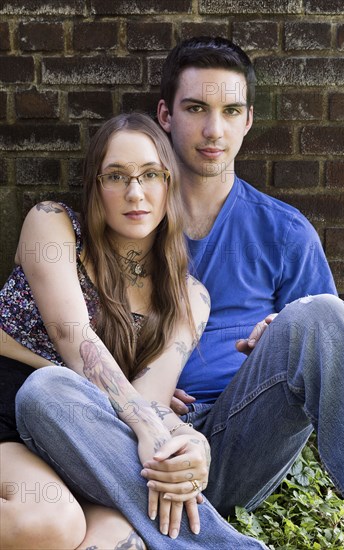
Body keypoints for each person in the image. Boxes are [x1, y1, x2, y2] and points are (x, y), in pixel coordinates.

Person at [15, 36, 344, 545]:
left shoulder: (286, 233)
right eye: (196, 108)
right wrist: (161, 427)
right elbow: (77, 344)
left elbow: (324, 357)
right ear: (166, 115)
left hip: (235, 438)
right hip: (128, 442)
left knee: (323, 317)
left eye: (231, 110)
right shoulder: (123, 222)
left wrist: (281, 333)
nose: (213, 129)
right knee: (47, 394)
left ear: (248, 120)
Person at [1, 112, 265, 549]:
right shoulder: (52, 224)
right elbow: (74, 339)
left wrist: (188, 440)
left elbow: (149, 400)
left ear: (169, 183)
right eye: (116, 176)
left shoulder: (189, 298)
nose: (135, 193)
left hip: (85, 438)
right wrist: (145, 423)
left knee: (124, 539)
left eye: (150, 175)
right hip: (13, 407)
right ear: (95, 186)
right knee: (50, 524)